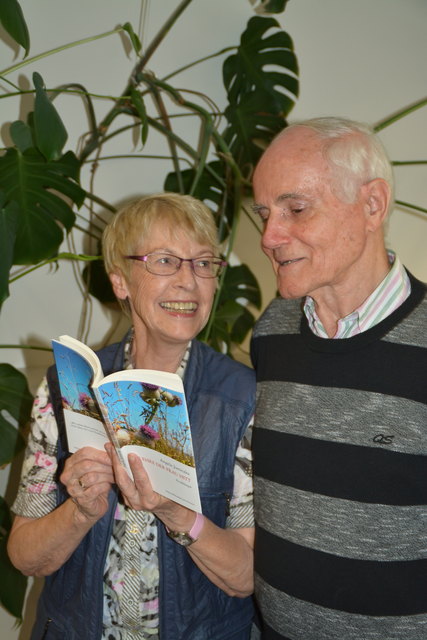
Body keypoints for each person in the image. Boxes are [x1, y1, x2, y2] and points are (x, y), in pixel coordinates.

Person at [8, 193, 256, 640]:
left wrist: (177, 513)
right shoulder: (70, 386)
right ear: (120, 281)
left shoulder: (242, 398)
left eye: (203, 263)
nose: (188, 281)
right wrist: (81, 511)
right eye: (165, 261)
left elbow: (245, 577)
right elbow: (26, 557)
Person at [249, 117, 427, 639]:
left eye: (295, 208)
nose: (269, 236)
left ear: (373, 205)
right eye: (264, 213)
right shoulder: (271, 332)